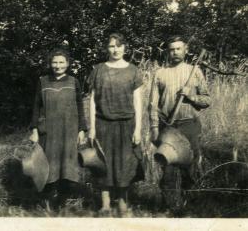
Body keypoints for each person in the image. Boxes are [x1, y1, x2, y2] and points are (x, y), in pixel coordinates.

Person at [149, 35, 211, 212]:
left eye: (178, 48)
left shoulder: (195, 71)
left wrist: (191, 96)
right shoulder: (160, 73)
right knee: (167, 169)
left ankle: (188, 207)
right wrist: (154, 128)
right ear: (167, 52)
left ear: (186, 50)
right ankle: (168, 208)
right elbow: (152, 104)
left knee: (190, 168)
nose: (175, 52)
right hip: (168, 127)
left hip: (189, 125)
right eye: (171, 49)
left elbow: (207, 100)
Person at [88, 33, 143, 215]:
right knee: (103, 164)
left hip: (126, 124)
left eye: (119, 46)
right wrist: (93, 127)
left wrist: (138, 129)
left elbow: (138, 102)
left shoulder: (133, 70)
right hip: (103, 123)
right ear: (107, 48)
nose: (115, 49)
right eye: (112, 46)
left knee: (124, 165)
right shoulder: (98, 69)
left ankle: (122, 201)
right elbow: (93, 100)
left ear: (125, 48)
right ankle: (104, 204)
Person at [29, 48, 87, 209]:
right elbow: (36, 107)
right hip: (49, 131)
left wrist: (82, 129)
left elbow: (80, 107)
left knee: (67, 166)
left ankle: (62, 201)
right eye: (54, 62)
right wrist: (34, 129)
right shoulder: (43, 81)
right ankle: (46, 201)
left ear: (67, 64)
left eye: (61, 62)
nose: (58, 65)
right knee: (48, 165)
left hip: (69, 131)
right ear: (50, 64)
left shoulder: (73, 81)